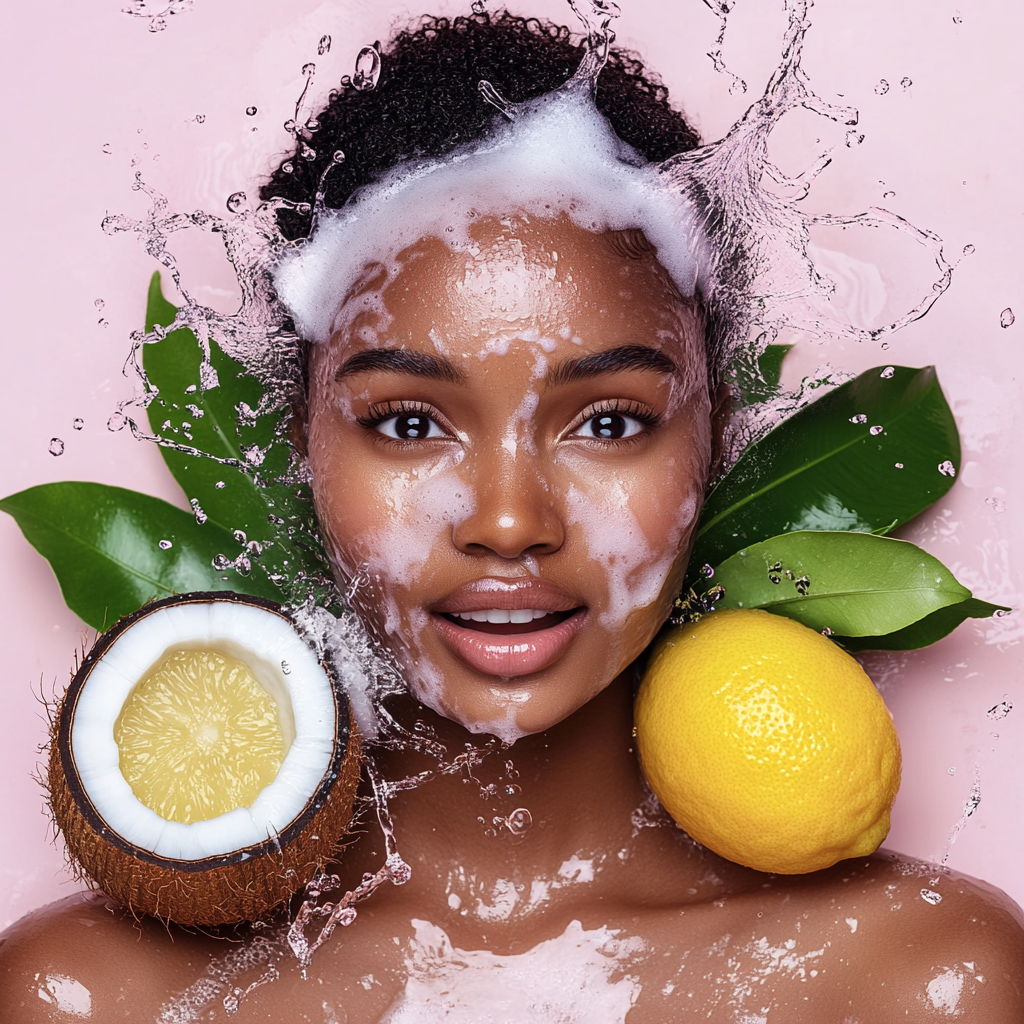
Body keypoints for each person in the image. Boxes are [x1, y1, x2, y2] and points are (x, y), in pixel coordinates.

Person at [1, 11, 1021, 1022]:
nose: (507, 518)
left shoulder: (916, 983)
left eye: (611, 421)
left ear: (715, 441)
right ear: (299, 444)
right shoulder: (91, 998)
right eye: (406, 422)